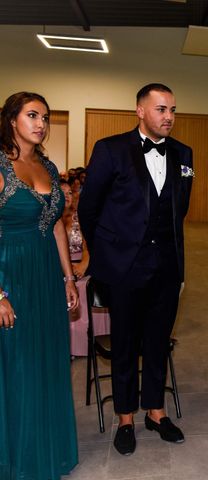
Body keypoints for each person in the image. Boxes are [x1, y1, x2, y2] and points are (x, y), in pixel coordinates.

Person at [78, 83, 193, 455]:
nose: (169, 117)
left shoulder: (183, 153)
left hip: (166, 266)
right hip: (123, 268)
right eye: (161, 109)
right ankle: (125, 416)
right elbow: (89, 209)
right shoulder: (110, 149)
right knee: (125, 343)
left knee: (158, 341)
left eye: (172, 110)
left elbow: (180, 208)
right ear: (140, 111)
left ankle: (155, 411)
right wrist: (109, 254)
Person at [0, 92, 79, 479]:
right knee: (19, 367)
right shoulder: (0, 165)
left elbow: (57, 226)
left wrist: (68, 277)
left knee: (48, 362)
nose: (41, 123)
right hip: (11, 273)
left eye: (45, 117)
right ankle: (19, 458)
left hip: (47, 274)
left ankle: (52, 452)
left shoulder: (47, 165)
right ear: (12, 119)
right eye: (32, 115)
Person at [60, 180, 89, 278]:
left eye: (69, 193)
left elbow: (89, 244)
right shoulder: (46, 220)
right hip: (55, 269)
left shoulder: (79, 217)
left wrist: (83, 264)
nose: (67, 196)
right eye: (63, 192)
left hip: (79, 269)